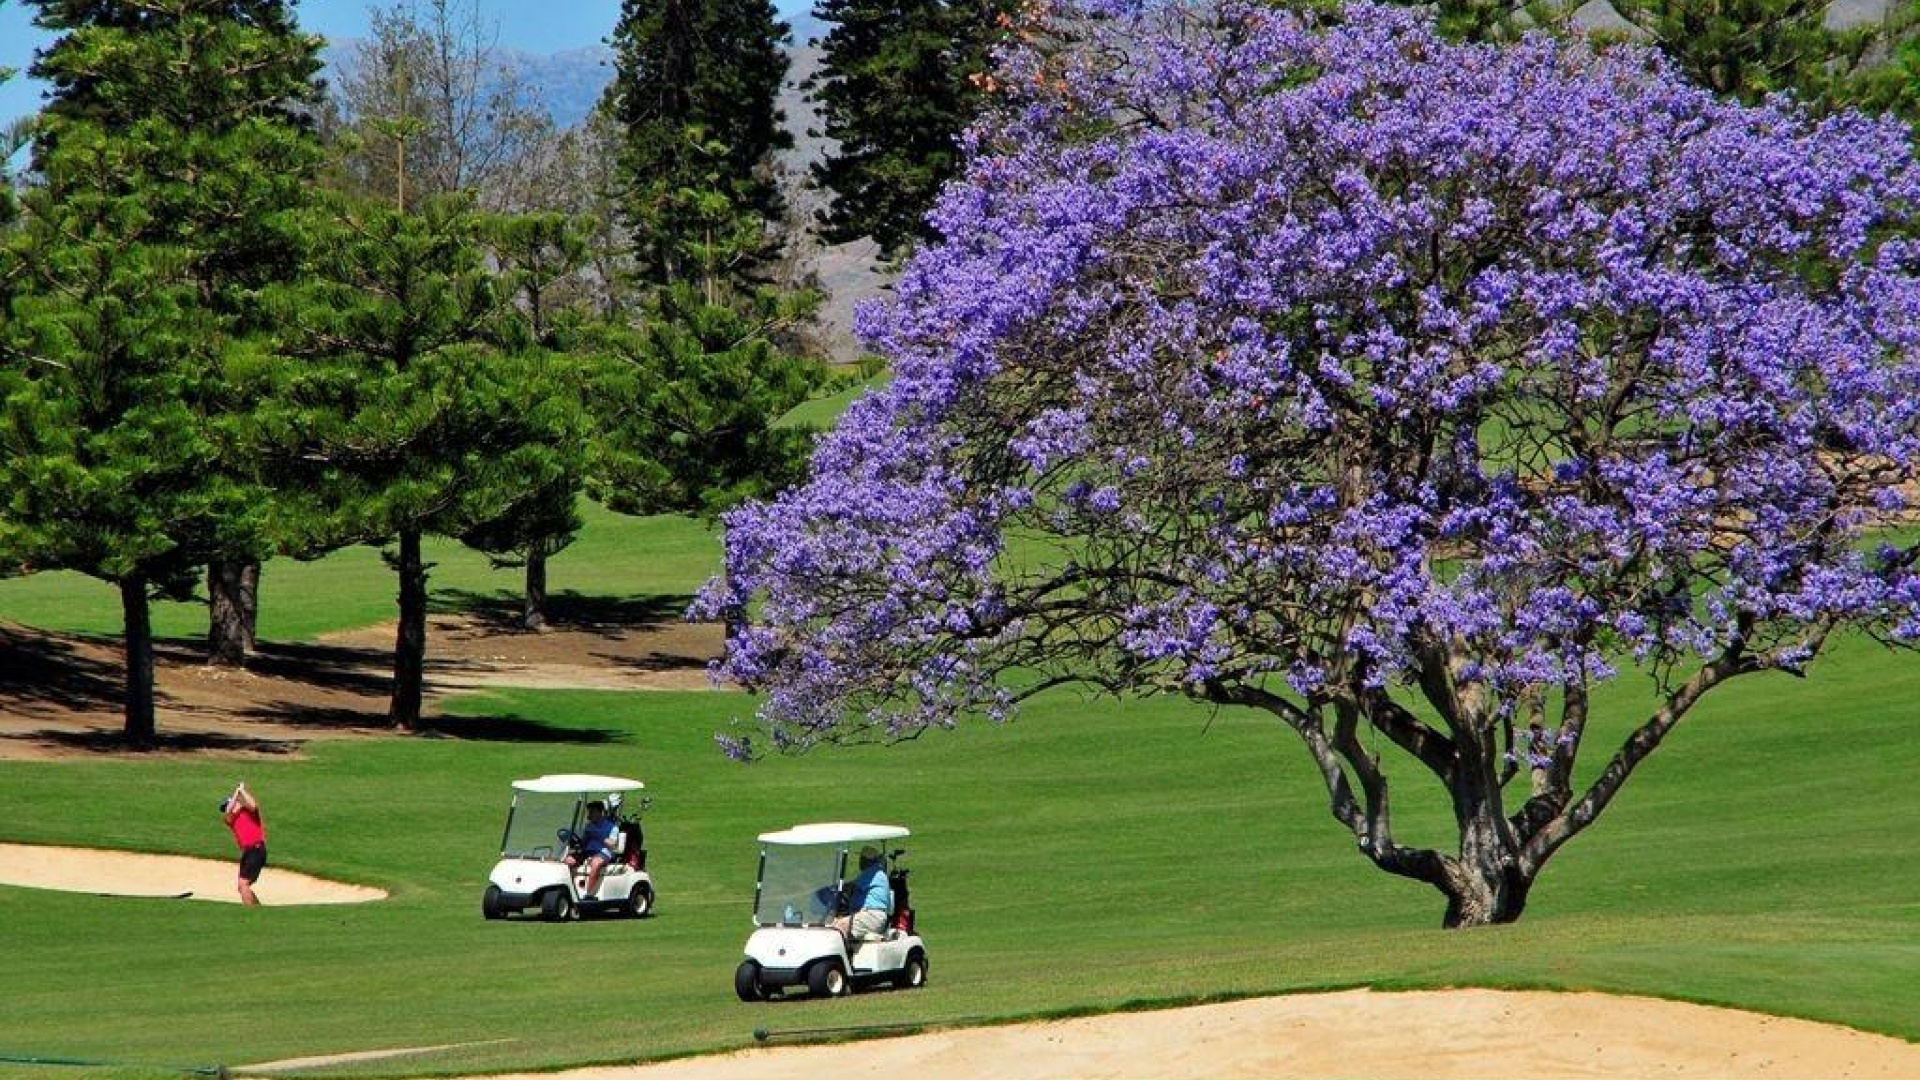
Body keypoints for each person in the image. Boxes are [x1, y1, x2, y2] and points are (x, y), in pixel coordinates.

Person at [830, 845, 892, 942]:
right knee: (835, 923)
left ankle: (838, 956)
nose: (860, 862)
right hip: (868, 915)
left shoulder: (873, 872)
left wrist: (832, 890)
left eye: (862, 859)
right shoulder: (876, 873)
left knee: (839, 927)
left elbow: (850, 888)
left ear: (867, 861)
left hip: (871, 915)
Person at [220, 781, 267, 907]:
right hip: (248, 852)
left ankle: (252, 914)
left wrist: (242, 791)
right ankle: (259, 910)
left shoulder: (249, 812)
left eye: (229, 804)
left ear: (238, 803)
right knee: (242, 887)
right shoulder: (230, 820)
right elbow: (228, 812)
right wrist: (237, 792)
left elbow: (254, 805)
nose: (227, 808)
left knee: (243, 884)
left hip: (256, 850)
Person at [564, 800, 619, 895]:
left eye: (591, 812)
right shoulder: (588, 826)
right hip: (588, 852)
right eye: (589, 812)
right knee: (568, 860)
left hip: (603, 852)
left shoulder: (612, 827)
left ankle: (588, 894)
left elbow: (613, 844)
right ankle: (570, 891)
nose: (589, 815)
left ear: (599, 812)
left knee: (596, 863)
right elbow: (583, 843)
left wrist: (598, 835)